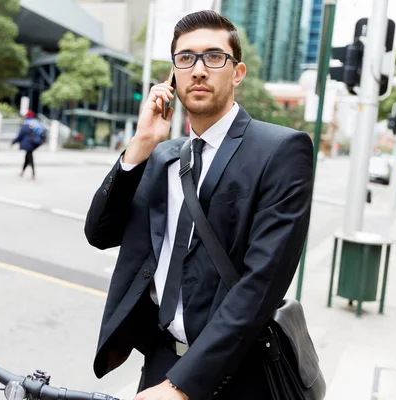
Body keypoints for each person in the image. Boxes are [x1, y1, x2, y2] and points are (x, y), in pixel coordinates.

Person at [84, 10, 313, 400]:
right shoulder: (163, 157)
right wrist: (140, 145)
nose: (199, 70)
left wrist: (181, 387)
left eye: (214, 57)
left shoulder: (280, 150)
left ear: (237, 72)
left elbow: (261, 284)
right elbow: (100, 233)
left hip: (235, 373)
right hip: (160, 363)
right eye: (186, 58)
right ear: (173, 74)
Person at [11, 110, 45, 180]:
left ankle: (33, 175)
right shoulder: (36, 123)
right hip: (34, 144)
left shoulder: (26, 125)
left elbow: (20, 136)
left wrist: (13, 142)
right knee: (27, 158)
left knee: (30, 159)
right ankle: (22, 172)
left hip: (29, 144)